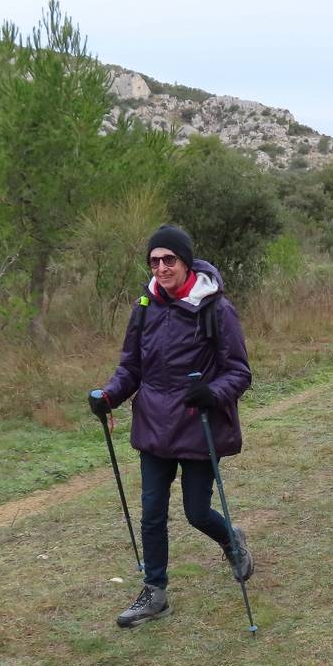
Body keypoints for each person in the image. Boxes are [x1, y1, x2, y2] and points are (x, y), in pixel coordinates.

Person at [92, 225, 254, 627]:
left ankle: (231, 540)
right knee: (152, 513)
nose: (162, 267)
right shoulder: (144, 306)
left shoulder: (217, 309)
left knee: (197, 512)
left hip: (198, 424)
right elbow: (131, 366)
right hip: (153, 425)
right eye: (154, 261)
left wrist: (212, 394)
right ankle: (155, 593)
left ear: (185, 262)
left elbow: (240, 372)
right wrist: (109, 395)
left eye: (169, 260)